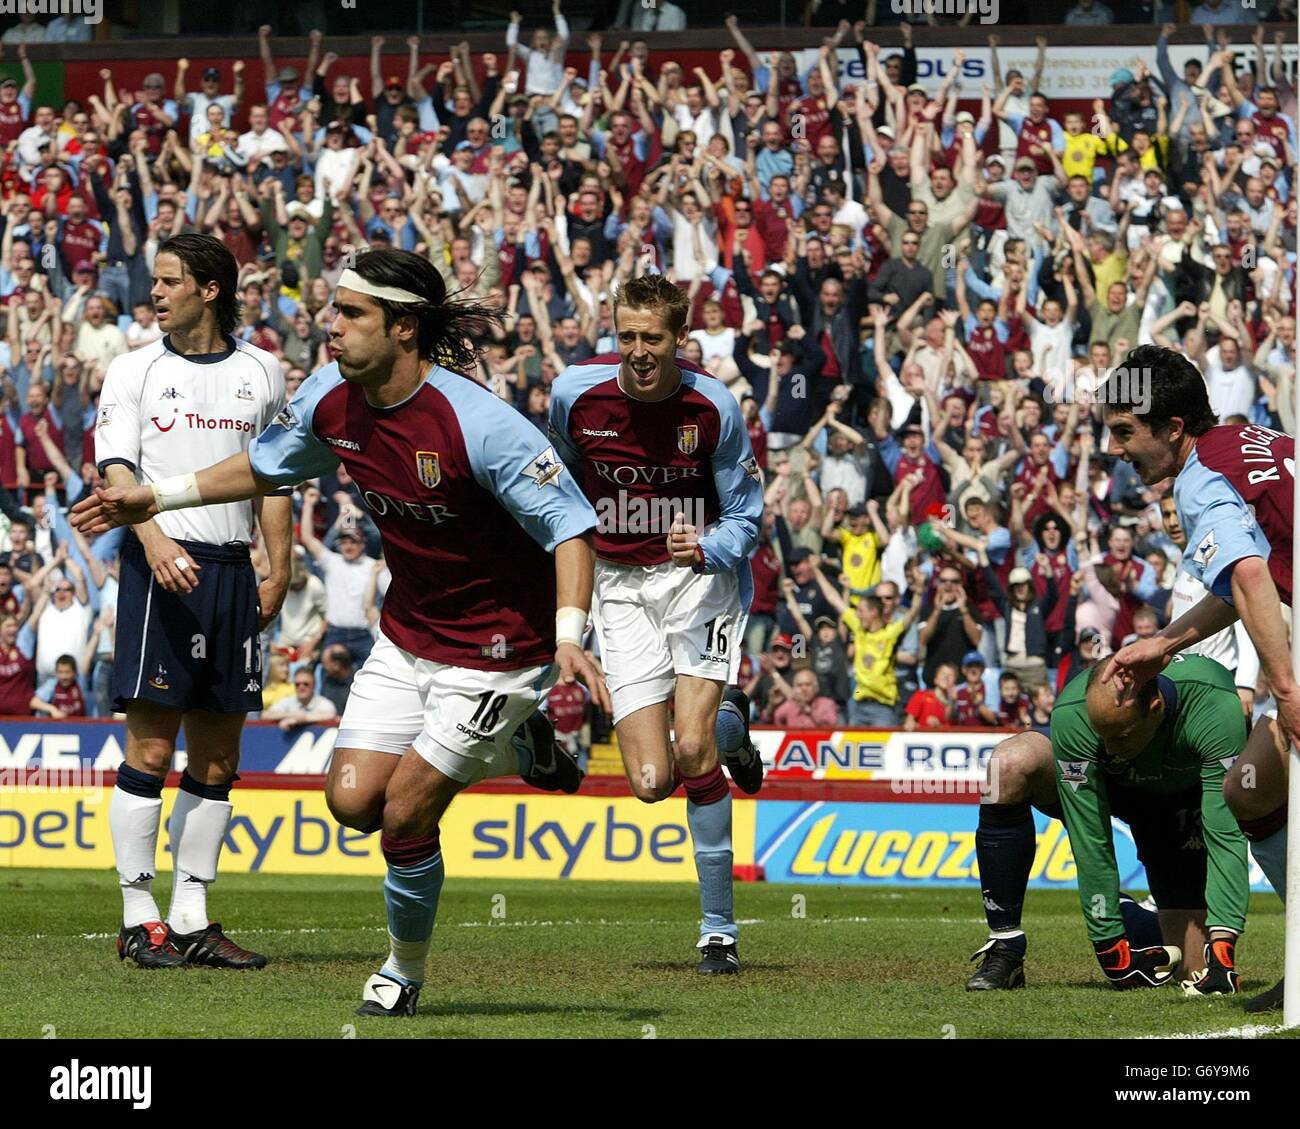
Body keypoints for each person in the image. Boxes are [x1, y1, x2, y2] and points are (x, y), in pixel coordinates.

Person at [74, 247, 610, 1019]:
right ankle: (516, 746)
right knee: (354, 801)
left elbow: (572, 527)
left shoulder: (483, 425)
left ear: (403, 328)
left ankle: (402, 971)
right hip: (408, 633)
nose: (331, 328)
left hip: (498, 651)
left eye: (351, 315)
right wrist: (155, 497)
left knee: (405, 812)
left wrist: (567, 635)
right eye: (332, 310)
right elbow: (263, 466)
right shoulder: (332, 393)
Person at [549, 273, 764, 974]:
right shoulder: (574, 395)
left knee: (692, 746)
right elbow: (559, 488)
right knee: (650, 778)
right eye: (628, 336)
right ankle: (735, 723)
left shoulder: (713, 405)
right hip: (617, 589)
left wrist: (706, 546)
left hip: (698, 585)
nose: (639, 350)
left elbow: (749, 518)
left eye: (654, 338)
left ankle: (718, 931)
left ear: (679, 339)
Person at [89, 233, 293, 971]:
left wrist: (280, 566)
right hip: (162, 569)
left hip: (235, 572)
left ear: (210, 288)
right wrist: (152, 541)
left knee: (219, 751)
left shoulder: (263, 370)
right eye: (155, 282)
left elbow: (271, 474)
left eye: (171, 281)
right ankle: (137, 915)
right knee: (150, 744)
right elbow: (117, 467)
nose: (156, 293)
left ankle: (192, 916)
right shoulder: (133, 368)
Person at [1101, 346, 1293, 1012]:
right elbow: (1243, 576)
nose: (1116, 447)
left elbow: (1248, 575)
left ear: (1172, 426)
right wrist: (1165, 640)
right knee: (1253, 788)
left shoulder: (1197, 477)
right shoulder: (1244, 440)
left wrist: (1288, 692)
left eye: (1126, 431)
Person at [967, 655, 1249, 996]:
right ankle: (1004, 945)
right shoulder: (1075, 712)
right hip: (1109, 790)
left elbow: (1226, 835)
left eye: (1121, 735)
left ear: (1156, 707)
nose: (1109, 748)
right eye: (1102, 734)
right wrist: (1110, 949)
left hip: (1180, 801)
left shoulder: (1213, 702)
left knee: (1191, 968)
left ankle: (1133, 913)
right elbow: (1091, 839)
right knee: (1007, 765)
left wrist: (1223, 949)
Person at [265, 666, 338, 730]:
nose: (301, 687)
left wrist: (301, 719)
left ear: (314, 685)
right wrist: (291, 715)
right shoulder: (288, 701)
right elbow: (266, 715)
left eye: (306, 684)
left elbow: (331, 714)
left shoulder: (323, 702)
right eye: (297, 684)